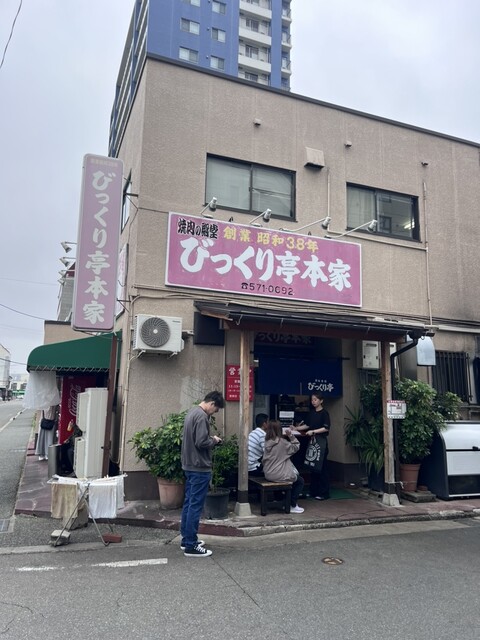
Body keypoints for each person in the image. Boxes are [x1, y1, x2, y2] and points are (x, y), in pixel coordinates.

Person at [180, 391, 225, 557]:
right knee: (195, 506)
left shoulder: (192, 412)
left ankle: (186, 540)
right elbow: (201, 442)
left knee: (189, 503)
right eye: (216, 409)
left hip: (189, 464)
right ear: (212, 403)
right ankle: (191, 545)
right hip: (199, 466)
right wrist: (214, 440)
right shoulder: (202, 417)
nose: (214, 412)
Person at [262, 420, 305, 514]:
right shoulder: (282, 442)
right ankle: (292, 504)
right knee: (300, 481)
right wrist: (290, 435)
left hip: (268, 474)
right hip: (279, 474)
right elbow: (296, 446)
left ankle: (280, 499)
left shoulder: (267, 441)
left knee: (281, 480)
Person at [299, 393, 331, 500]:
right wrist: (296, 428)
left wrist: (313, 431)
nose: (313, 401)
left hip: (321, 442)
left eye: (315, 399)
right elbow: (307, 425)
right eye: (312, 399)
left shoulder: (324, 413)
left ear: (321, 401)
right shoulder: (312, 413)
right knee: (313, 467)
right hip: (312, 442)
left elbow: (326, 428)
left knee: (322, 468)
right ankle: (313, 491)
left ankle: (324, 493)